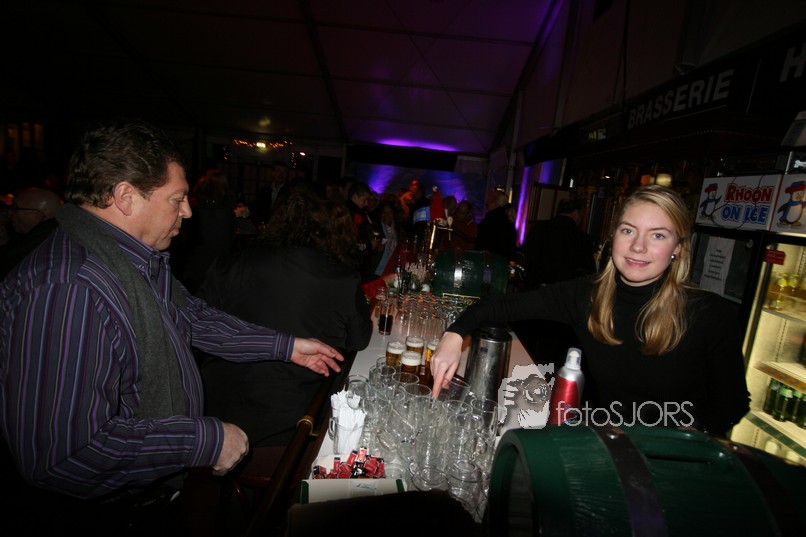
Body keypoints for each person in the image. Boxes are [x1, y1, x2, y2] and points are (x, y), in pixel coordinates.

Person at [0, 120, 343, 534]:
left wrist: (285, 346)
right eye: (177, 199)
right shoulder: (70, 287)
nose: (188, 211)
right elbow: (62, 455)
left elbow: (192, 317)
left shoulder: (125, 257)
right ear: (126, 197)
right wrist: (203, 441)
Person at [431, 185, 749, 437]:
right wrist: (454, 335)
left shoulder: (709, 314)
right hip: (610, 448)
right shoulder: (587, 295)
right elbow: (497, 305)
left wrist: (683, 437)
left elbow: (732, 405)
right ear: (613, 237)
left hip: (674, 462)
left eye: (657, 235)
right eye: (628, 231)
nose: (638, 246)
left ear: (678, 247)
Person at [196, 190, 373, 448]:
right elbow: (359, 339)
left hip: (214, 409)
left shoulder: (229, 264)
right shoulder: (341, 277)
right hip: (292, 424)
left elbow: (196, 325)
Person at [514, 197, 599, 386]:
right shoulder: (582, 238)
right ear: (576, 214)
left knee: (526, 351)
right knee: (553, 355)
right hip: (563, 304)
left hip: (534, 295)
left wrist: (526, 280)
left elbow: (522, 258)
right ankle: (549, 390)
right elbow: (588, 275)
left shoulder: (540, 228)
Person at [0, 186, 63, 278]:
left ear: (37, 216)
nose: (10, 213)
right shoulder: (52, 233)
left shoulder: (37, 243)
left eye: (15, 208)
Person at [475, 189, 518, 261]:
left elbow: (482, 243)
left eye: (488, 202)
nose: (486, 204)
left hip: (491, 260)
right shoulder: (508, 218)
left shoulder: (491, 219)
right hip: (504, 261)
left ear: (493, 203)